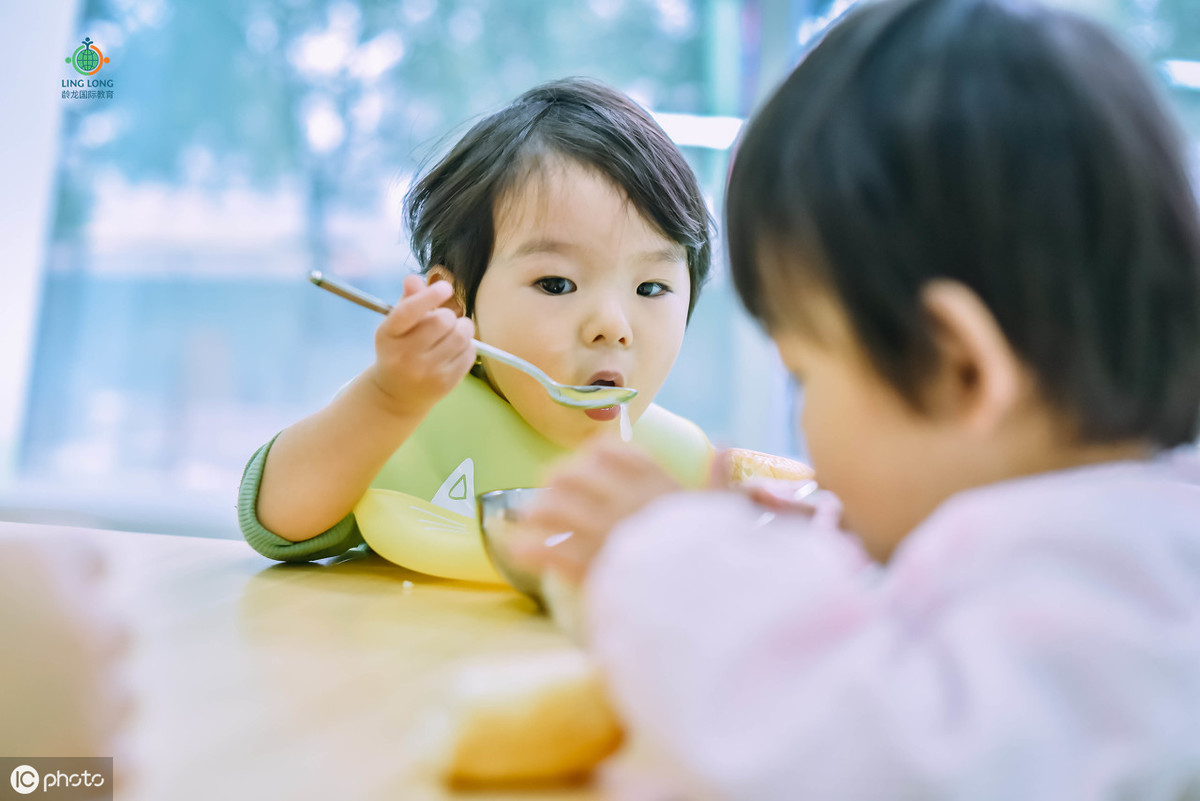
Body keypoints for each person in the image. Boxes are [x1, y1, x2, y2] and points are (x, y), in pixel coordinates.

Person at [512, 0, 1200, 797]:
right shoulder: (1120, 533)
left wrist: (673, 558)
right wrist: (820, 557)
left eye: (806, 374)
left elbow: (872, 757)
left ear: (960, 370)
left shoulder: (1117, 585)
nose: (804, 416)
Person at [237, 78, 716, 567]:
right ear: (455, 302)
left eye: (651, 288)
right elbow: (278, 523)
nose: (613, 326)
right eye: (557, 284)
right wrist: (389, 399)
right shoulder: (407, 418)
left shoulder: (683, 466)